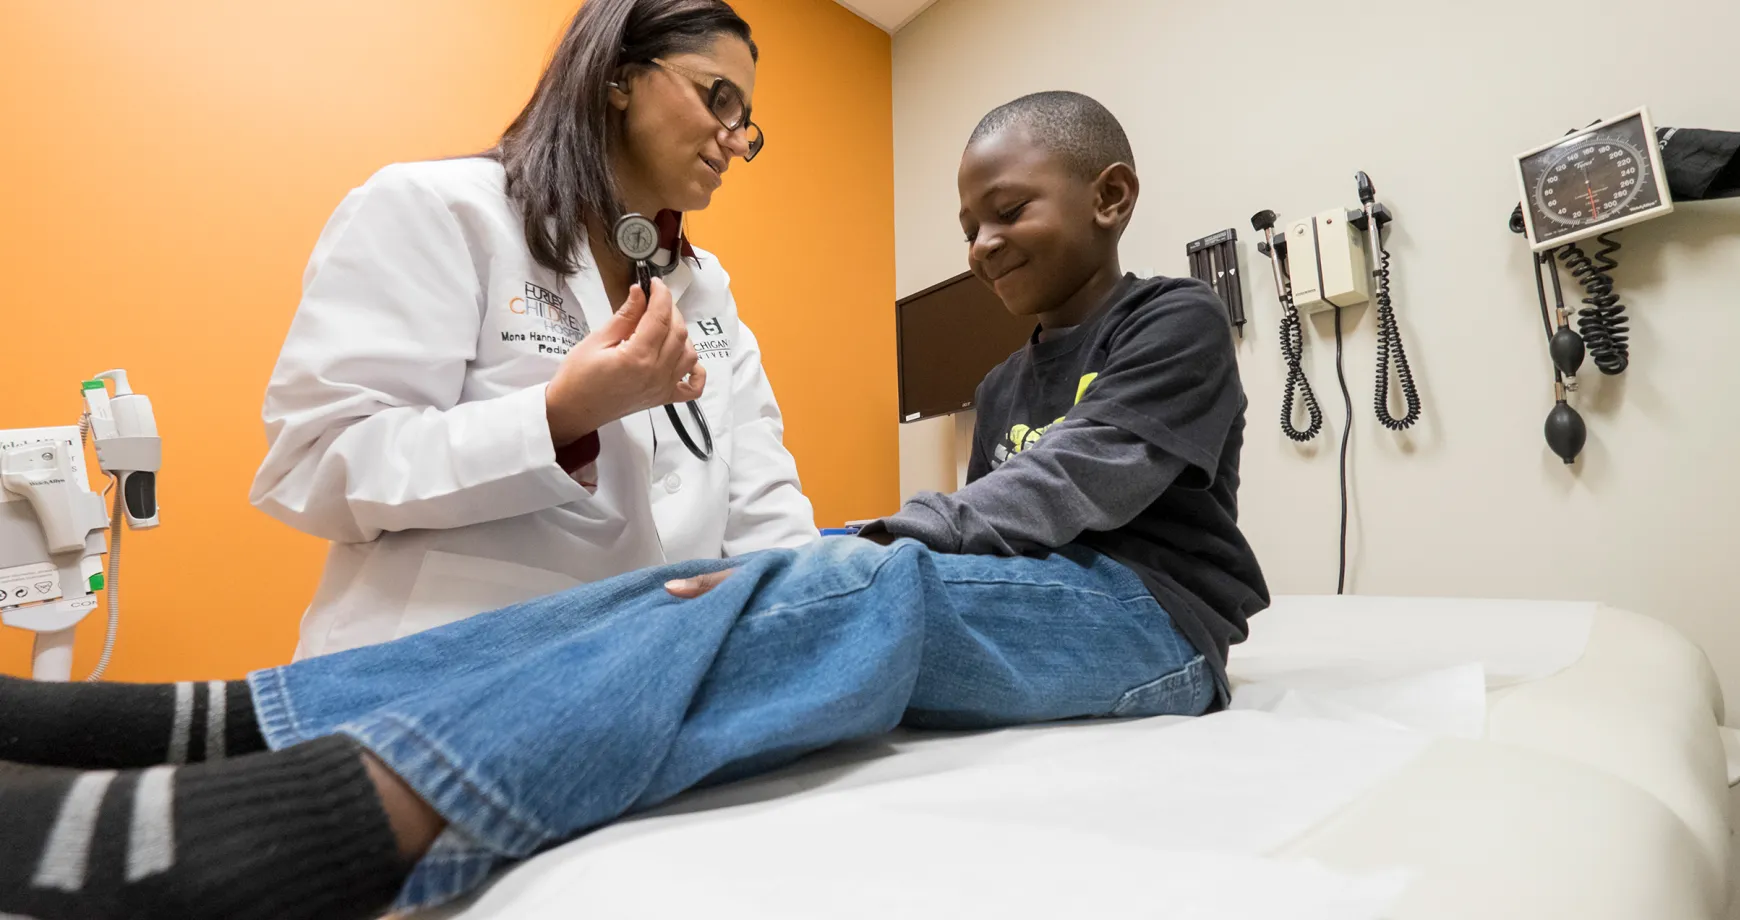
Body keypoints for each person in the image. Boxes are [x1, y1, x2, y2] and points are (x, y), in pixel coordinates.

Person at [0, 91, 1268, 920]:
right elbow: (984, 535)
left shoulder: (1174, 321)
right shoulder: (1000, 379)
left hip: (1156, 624)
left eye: (1010, 213)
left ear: (1110, 198)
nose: (982, 243)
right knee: (685, 589)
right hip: (1052, 601)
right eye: (967, 223)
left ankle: (318, 827)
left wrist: (843, 549)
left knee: (859, 580)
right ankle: (209, 720)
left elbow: (1050, 499)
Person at [249, 0, 818, 659]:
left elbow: (766, 509)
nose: (738, 139)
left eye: (747, 121)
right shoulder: (444, 210)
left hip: (640, 676)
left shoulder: (706, 288)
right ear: (620, 76)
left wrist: (789, 600)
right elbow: (315, 464)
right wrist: (556, 419)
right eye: (719, 99)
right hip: (435, 670)